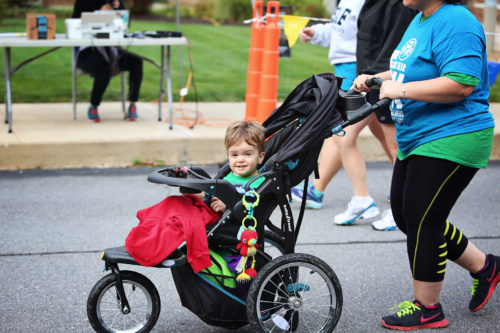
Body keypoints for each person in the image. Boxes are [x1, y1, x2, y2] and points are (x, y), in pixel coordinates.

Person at [353, 0, 499, 330]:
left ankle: (428, 307)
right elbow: (415, 69)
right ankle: (486, 267)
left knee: (423, 219)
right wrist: (377, 78)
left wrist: (399, 89)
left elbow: (461, 82)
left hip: (453, 136)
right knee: (408, 217)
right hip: (417, 138)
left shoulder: (457, 21)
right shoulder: (421, 19)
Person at [125, 120, 266, 270]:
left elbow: (251, 204)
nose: (240, 160)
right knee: (172, 202)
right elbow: (212, 195)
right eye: (234, 155)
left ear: (260, 157)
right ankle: (145, 237)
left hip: (225, 219)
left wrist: (228, 204)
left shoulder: (257, 182)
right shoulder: (230, 175)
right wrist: (198, 192)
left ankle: (153, 248)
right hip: (208, 207)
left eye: (247, 154)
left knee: (180, 219)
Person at [292, 0, 382, 226]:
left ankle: (355, 197)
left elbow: (370, 35)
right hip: (346, 66)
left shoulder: (368, 3)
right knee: (365, 129)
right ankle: (317, 190)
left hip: (357, 68)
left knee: (341, 131)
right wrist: (316, 32)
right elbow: (339, 30)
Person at [355, 0, 417, 231]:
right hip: (372, 77)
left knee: (397, 149)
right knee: (348, 135)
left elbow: (394, 46)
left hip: (385, 83)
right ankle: (368, 201)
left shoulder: (398, 5)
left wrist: (378, 78)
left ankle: (401, 208)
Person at [72, 0, 143, 122]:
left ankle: (132, 104)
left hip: (112, 50)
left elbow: (125, 26)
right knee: (104, 66)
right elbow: (74, 26)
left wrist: (118, 9)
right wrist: (100, 13)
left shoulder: (116, 2)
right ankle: (93, 106)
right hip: (88, 51)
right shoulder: (83, 2)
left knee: (136, 62)